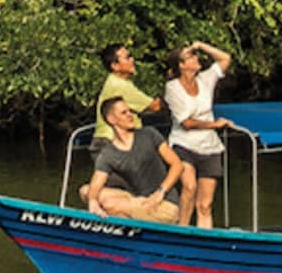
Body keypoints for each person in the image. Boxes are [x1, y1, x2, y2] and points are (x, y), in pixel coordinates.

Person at [164, 39, 235, 229]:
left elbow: (225, 58)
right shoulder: (172, 88)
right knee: (189, 187)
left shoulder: (205, 79)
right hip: (183, 144)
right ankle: (183, 230)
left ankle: (205, 241)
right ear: (181, 65)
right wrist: (215, 124)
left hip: (209, 146)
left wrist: (200, 46)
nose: (196, 58)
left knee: (205, 204)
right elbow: (186, 123)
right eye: (190, 56)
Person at [88, 98, 193, 224]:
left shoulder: (149, 134)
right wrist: (92, 201)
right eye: (124, 113)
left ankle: (126, 230)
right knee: (86, 192)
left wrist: (161, 192)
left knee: (109, 204)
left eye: (130, 111)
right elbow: (96, 182)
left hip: (164, 204)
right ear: (112, 120)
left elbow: (177, 165)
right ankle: (127, 232)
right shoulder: (109, 153)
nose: (130, 115)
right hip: (139, 200)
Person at [94, 42, 162, 133]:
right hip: (113, 141)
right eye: (127, 58)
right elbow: (155, 106)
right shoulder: (120, 85)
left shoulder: (116, 81)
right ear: (115, 66)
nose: (132, 60)